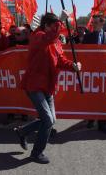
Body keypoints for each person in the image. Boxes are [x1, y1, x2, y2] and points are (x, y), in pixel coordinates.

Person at [14, 13, 82, 164]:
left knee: (50, 120)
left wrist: (73, 66)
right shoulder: (38, 36)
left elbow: (61, 60)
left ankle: (22, 132)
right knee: (48, 120)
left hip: (48, 85)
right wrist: (60, 20)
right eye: (54, 26)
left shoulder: (55, 41)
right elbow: (48, 38)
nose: (57, 30)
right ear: (46, 26)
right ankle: (36, 153)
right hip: (35, 84)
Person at [83, 14, 106, 134]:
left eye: (95, 22)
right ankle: (90, 118)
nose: (93, 24)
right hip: (92, 72)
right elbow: (83, 54)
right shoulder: (87, 37)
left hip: (105, 73)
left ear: (101, 23)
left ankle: (102, 124)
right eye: (92, 23)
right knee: (92, 96)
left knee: (104, 99)